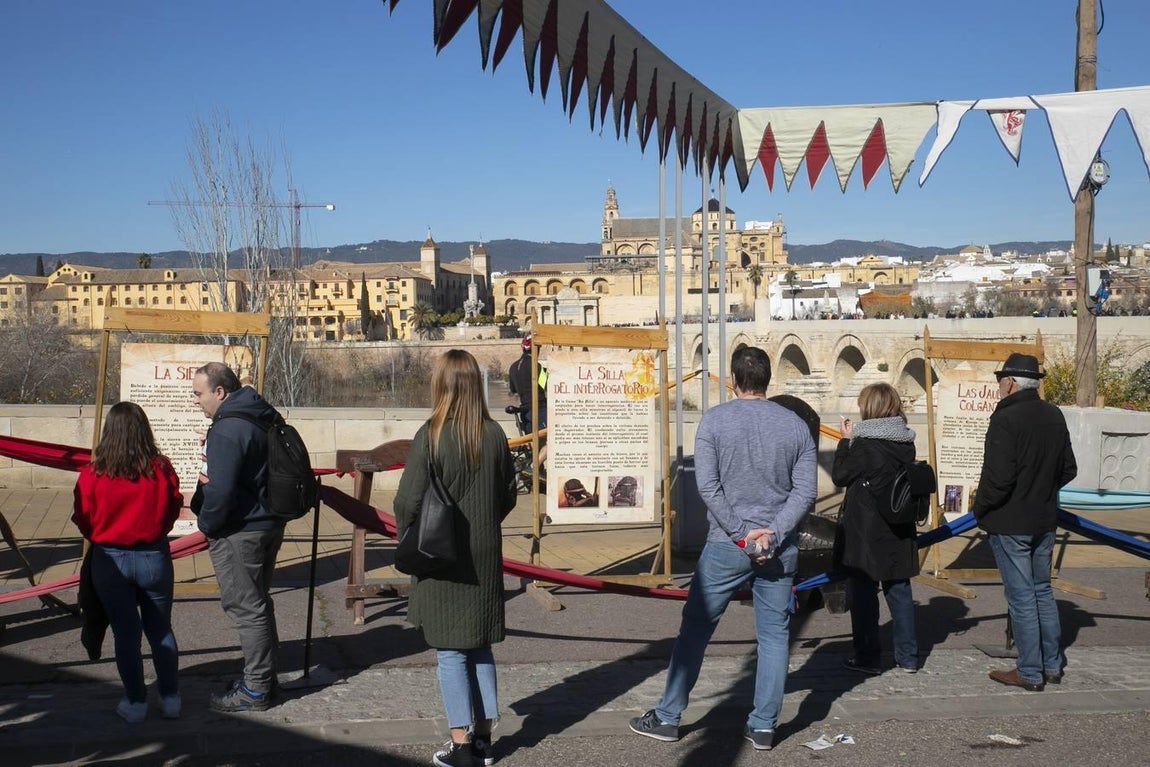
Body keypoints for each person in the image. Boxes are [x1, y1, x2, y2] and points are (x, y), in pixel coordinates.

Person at [629, 345, 817, 751]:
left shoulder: (714, 421)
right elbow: (805, 491)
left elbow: (708, 487)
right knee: (773, 636)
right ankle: (764, 725)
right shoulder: (795, 425)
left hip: (727, 544)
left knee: (695, 629)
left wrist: (739, 534)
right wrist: (773, 533)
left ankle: (667, 716)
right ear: (768, 381)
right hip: (777, 545)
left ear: (733, 381)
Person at [394, 349, 518, 767]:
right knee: (480, 646)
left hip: (442, 554)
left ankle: (460, 744)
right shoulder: (495, 433)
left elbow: (407, 502)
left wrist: (409, 534)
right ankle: (484, 739)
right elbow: (507, 496)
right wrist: (483, 522)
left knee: (450, 652)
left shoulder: (431, 434)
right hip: (484, 552)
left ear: (442, 384)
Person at [72, 402, 184, 722]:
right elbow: (173, 508)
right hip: (153, 555)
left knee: (125, 633)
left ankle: (135, 702)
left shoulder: (92, 475)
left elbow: (83, 518)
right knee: (160, 628)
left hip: (110, 559)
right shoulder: (161, 468)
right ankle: (170, 696)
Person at [973, 353, 1077, 692]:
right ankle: (1052, 665)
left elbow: (997, 479)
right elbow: (1068, 469)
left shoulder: (1005, 419)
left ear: (1010, 383)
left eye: (1000, 381)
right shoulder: (1053, 415)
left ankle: (1030, 671)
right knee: (1042, 592)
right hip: (1044, 518)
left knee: (1021, 597)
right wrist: (1042, 490)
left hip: (1010, 520)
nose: (999, 387)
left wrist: (980, 509)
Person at [190, 362, 286, 712]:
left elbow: (220, 491)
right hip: (268, 521)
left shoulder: (229, 429)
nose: (195, 400)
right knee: (259, 602)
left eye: (199, 393)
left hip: (241, 529)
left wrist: (208, 525)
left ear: (219, 392)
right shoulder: (259, 414)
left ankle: (257, 688)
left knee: (247, 608)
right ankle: (265, 679)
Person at [832, 383, 920, 675]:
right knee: (900, 592)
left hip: (867, 531)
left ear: (869, 408)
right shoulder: (906, 441)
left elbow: (841, 475)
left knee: (864, 596)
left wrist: (846, 441)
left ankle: (868, 657)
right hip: (898, 527)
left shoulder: (865, 444)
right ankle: (908, 657)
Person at [508, 335, 546, 431]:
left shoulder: (513, 367)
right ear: (536, 349)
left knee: (530, 443)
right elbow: (546, 385)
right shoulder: (536, 366)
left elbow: (513, 390)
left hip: (524, 413)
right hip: (540, 411)